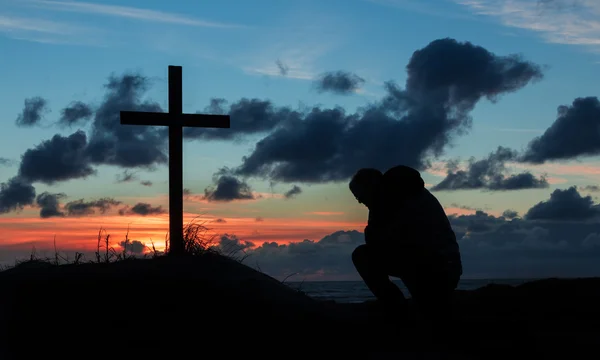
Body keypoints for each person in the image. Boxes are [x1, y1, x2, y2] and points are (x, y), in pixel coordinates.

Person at [349, 165, 462, 333]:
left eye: (360, 196)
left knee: (364, 255)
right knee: (367, 254)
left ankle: (401, 312)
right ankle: (406, 310)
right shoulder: (390, 199)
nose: (360, 201)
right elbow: (379, 242)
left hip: (435, 268)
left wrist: (378, 230)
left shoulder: (396, 201)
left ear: (371, 188)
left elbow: (388, 242)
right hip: (438, 265)